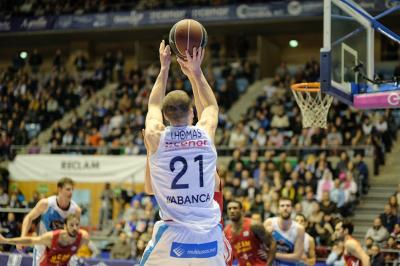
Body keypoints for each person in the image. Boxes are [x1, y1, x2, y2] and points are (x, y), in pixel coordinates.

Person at [141, 42, 225, 265]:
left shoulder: (155, 136)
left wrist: (164, 68)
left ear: (166, 116)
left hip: (173, 235)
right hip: (208, 234)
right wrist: (196, 73)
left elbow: (153, 105)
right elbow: (211, 108)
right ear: (191, 112)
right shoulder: (205, 133)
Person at [17, 177, 81, 266]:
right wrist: (22, 237)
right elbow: (29, 218)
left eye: (72, 190)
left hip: (62, 246)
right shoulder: (46, 203)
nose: (71, 192)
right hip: (43, 244)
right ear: (59, 189)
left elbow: (76, 232)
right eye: (68, 189)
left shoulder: (76, 210)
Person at [0, 213, 89, 266]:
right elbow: (30, 240)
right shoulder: (51, 237)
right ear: (65, 227)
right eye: (72, 225)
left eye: (77, 225)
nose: (75, 228)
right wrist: (6, 240)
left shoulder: (82, 238)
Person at [225, 200, 276, 266]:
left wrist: (269, 263)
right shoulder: (226, 231)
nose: (232, 211)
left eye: (235, 208)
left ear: (241, 210)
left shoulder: (254, 225)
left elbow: (272, 242)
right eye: (229, 209)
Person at [263, 197, 305, 266]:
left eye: (288, 206)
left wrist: (272, 254)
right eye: (282, 206)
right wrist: (266, 236)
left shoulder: (299, 229)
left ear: (292, 209)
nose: (285, 208)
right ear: (278, 209)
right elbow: (259, 247)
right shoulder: (269, 222)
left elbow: (297, 257)